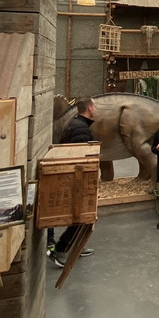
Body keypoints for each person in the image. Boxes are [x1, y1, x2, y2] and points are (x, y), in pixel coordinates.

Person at [48, 97, 97, 268]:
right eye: (94, 106)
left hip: (75, 178)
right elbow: (79, 156)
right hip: (77, 180)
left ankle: (75, 245)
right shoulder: (80, 128)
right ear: (89, 108)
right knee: (80, 216)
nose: (96, 109)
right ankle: (60, 249)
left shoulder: (77, 124)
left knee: (81, 217)